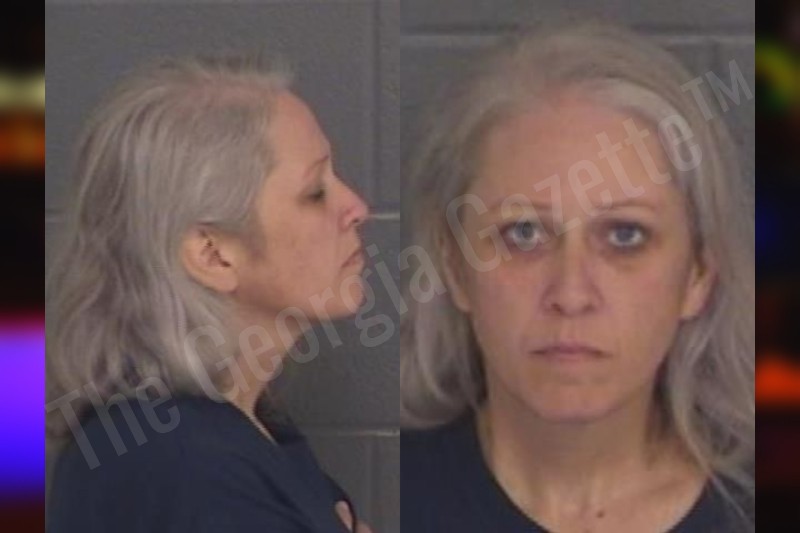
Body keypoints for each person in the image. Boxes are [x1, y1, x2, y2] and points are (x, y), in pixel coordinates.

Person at [400, 22, 754, 533]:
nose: (570, 294)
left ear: (698, 274)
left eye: (625, 235)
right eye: (523, 233)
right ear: (455, 268)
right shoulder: (385, 501)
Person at [46, 55, 373, 533]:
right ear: (213, 255)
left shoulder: (232, 432)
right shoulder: (189, 471)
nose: (357, 208)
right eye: (315, 192)